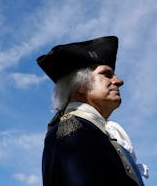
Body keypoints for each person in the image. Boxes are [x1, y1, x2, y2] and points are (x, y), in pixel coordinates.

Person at [37, 36, 147, 186]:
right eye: (106, 74)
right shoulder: (74, 129)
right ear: (80, 85)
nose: (119, 81)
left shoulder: (92, 130)